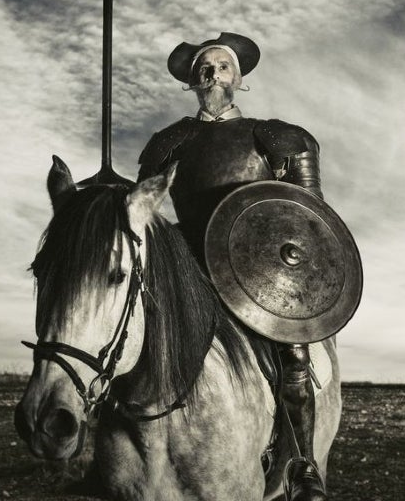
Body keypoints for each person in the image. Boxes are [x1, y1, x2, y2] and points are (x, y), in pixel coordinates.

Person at [137, 32, 328, 501]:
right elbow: (140, 210)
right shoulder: (169, 143)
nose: (212, 73)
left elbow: (310, 215)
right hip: (188, 265)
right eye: (204, 68)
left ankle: (301, 464)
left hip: (259, 274)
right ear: (192, 83)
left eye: (222, 66)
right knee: (131, 338)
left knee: (292, 356)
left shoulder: (277, 138)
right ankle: (112, 450)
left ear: (238, 80)